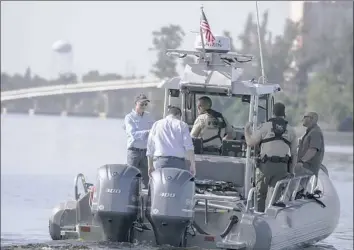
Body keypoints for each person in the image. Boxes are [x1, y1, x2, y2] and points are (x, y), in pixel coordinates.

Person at [244, 102, 298, 212]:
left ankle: (259, 215)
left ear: (272, 113)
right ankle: (274, 215)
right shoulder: (291, 130)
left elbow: (250, 143)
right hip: (282, 168)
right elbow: (294, 154)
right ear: (284, 114)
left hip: (265, 167)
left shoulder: (265, 126)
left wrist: (246, 130)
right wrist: (292, 171)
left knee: (260, 195)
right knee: (276, 196)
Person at [146, 105, 196, 177]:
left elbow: (150, 146)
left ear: (168, 114)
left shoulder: (156, 124)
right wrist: (192, 165)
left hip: (160, 162)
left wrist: (150, 166)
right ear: (179, 115)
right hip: (178, 163)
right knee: (176, 186)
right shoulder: (182, 125)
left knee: (158, 186)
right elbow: (189, 146)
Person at [124, 93, 155, 187]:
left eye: (146, 104)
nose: (144, 106)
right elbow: (133, 134)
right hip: (134, 151)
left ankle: (146, 199)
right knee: (131, 177)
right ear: (136, 103)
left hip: (146, 152)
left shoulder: (149, 117)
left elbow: (154, 132)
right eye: (142, 104)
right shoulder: (129, 117)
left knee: (146, 178)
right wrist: (147, 132)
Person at [295, 112, 324, 178]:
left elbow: (313, 150)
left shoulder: (315, 132)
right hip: (305, 168)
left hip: (308, 169)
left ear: (311, 119)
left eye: (305, 117)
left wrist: (301, 162)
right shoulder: (310, 132)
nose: (303, 119)